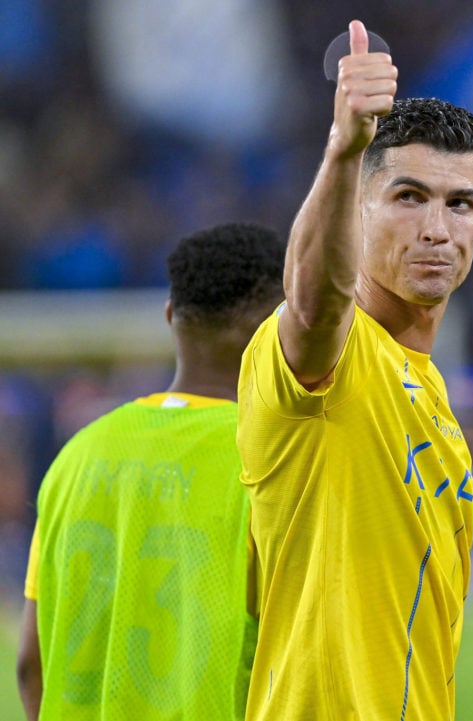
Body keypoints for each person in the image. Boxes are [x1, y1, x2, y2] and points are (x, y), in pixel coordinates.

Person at [235, 19, 473, 721]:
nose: (437, 229)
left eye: (459, 204)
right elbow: (314, 301)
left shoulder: (431, 394)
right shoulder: (331, 356)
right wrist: (345, 149)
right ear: (360, 209)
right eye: (409, 197)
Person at [16, 222, 286, 720]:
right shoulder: (274, 460)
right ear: (279, 324)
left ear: (170, 316)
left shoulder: (76, 455)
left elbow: (29, 664)